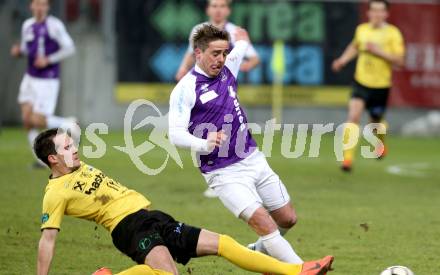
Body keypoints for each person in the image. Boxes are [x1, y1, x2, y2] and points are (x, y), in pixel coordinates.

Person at [34, 128, 334, 275]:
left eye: (72, 143)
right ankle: (298, 271)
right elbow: (48, 240)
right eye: (67, 147)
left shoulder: (78, 166)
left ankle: (297, 270)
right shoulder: (55, 193)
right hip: (129, 230)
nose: (75, 149)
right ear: (52, 159)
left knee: (225, 244)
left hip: (152, 216)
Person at [169, 24, 306, 265]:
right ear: (198, 53)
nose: (221, 59)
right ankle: (301, 269)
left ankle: (260, 251)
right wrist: (204, 143)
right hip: (223, 172)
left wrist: (243, 41)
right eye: (215, 53)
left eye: (224, 53)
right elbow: (175, 135)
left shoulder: (227, 67)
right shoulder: (185, 89)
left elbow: (239, 50)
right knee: (263, 222)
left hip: (253, 158)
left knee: (288, 219)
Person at [176, 0, 260, 199]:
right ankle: (215, 176)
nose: (218, 10)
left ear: (228, 10)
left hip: (226, 91)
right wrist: (181, 69)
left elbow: (253, 57)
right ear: (208, 9)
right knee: (202, 133)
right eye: (214, 5)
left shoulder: (234, 32)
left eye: (222, 6)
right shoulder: (199, 31)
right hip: (204, 92)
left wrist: (244, 66)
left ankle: (234, 176)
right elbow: (191, 53)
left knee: (231, 133)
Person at [332, 0, 405, 172]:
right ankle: (347, 160)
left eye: (380, 11)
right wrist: (342, 60)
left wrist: (379, 51)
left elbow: (400, 61)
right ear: (369, 13)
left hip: (380, 86)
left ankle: (380, 143)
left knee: (375, 123)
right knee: (354, 116)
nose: (376, 14)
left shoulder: (393, 34)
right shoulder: (362, 30)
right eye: (373, 11)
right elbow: (355, 46)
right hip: (361, 82)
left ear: (386, 14)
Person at [10, 0, 76, 168]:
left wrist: (48, 59)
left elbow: (70, 47)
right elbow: (27, 48)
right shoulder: (27, 25)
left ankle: (68, 124)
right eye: (37, 4)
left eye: (43, 4)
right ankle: (42, 161)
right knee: (26, 119)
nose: (40, 7)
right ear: (31, 6)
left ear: (47, 7)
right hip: (30, 77)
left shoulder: (54, 25)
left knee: (38, 120)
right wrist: (19, 52)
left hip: (47, 79)